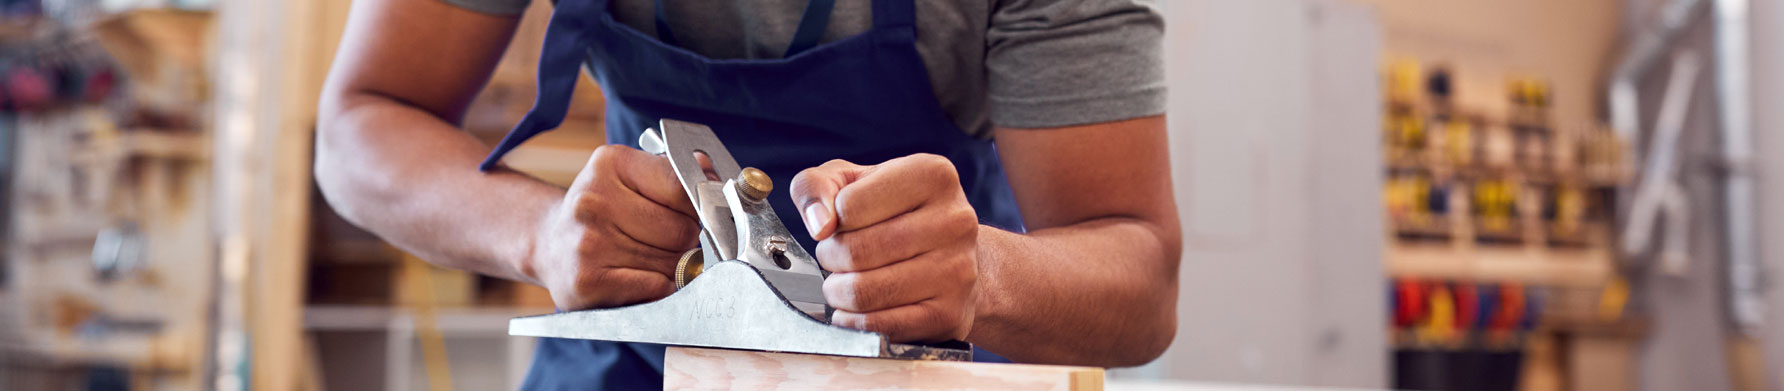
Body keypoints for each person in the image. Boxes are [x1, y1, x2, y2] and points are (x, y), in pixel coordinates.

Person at [314, 0, 1180, 388]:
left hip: (921, 372)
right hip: (634, 362)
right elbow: (360, 123)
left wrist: (984, 274)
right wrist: (540, 233)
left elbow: (1140, 279)